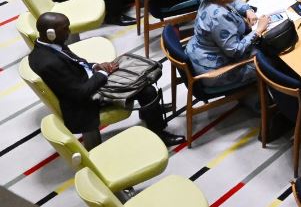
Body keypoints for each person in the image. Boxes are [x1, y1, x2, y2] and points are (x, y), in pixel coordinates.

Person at [28, 12, 184, 148]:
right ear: (51, 33)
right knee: (147, 89)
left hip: (87, 81)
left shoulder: (47, 45)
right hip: (85, 102)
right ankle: (158, 131)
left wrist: (96, 66)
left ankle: (149, 111)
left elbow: (75, 62)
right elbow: (80, 93)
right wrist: (101, 74)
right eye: (65, 29)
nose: (69, 31)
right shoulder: (49, 62)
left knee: (138, 72)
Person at [188, 0, 269, 92]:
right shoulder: (219, 17)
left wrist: (248, 10)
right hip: (215, 71)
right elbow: (235, 51)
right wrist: (258, 30)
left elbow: (234, 1)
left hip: (201, 55)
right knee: (269, 59)